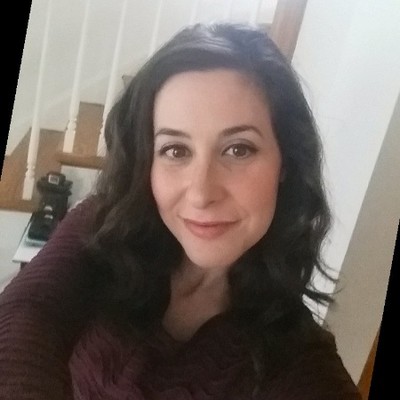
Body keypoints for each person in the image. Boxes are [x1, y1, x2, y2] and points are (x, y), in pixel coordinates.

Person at [0, 23, 361, 399]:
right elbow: (27, 313)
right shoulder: (105, 224)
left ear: (286, 161)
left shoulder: (300, 361)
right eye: (176, 150)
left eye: (238, 149)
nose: (202, 193)